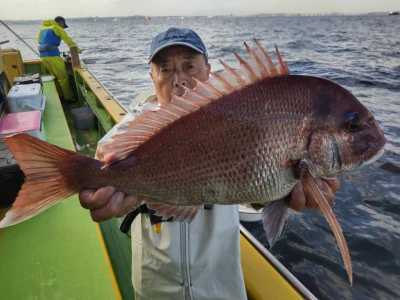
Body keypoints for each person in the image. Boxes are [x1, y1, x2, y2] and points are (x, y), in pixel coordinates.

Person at [79, 27, 340, 299]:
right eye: (165, 69)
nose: (179, 80)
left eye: (189, 66)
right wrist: (109, 188)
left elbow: (250, 191)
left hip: (218, 287)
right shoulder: (133, 130)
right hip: (154, 286)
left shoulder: (237, 121)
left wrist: (274, 193)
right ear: (152, 77)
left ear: (209, 71)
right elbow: (106, 155)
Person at [37, 16, 80, 102]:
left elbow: (38, 40)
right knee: (63, 77)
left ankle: (60, 96)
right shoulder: (56, 28)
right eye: (63, 26)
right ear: (61, 23)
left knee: (55, 77)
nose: (63, 28)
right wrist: (77, 49)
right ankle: (68, 98)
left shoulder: (42, 29)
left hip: (43, 57)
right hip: (53, 56)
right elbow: (68, 40)